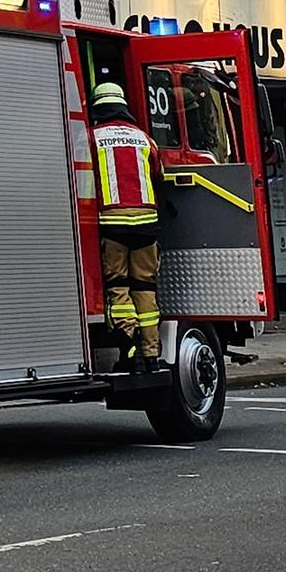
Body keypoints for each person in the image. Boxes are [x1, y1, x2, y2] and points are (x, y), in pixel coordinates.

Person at [90, 82, 162, 364]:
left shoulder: (91, 138)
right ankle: (152, 352)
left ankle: (128, 347)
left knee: (118, 285)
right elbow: (157, 174)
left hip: (112, 225)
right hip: (147, 225)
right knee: (145, 287)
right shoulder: (144, 138)